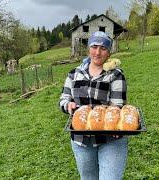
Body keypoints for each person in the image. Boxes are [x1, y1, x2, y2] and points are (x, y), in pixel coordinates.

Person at [59, 31, 128, 180]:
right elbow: (63, 99)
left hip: (110, 139)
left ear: (109, 52)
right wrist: (68, 105)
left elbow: (117, 106)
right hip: (81, 140)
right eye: (94, 46)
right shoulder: (74, 74)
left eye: (103, 48)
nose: (98, 52)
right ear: (89, 48)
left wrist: (115, 124)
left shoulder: (115, 75)